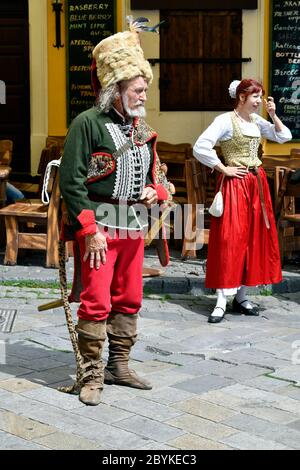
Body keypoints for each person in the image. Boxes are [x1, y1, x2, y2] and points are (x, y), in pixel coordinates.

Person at [59, 19, 170, 405]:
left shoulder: (142, 129)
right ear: (116, 89)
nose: (143, 96)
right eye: (138, 89)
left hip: (133, 227)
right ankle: (90, 374)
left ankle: (118, 366)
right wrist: (89, 230)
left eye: (144, 89)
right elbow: (72, 182)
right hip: (99, 229)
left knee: (129, 296)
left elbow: (159, 174)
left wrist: (156, 190)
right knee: (96, 300)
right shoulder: (86, 124)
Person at [193, 79, 292, 324]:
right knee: (230, 239)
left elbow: (284, 136)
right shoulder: (225, 121)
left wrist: (273, 115)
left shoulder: (257, 121)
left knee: (252, 239)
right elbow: (200, 146)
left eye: (260, 96)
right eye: (255, 96)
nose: (259, 101)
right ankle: (220, 300)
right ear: (241, 97)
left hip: (256, 185)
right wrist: (222, 168)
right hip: (235, 185)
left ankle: (241, 295)